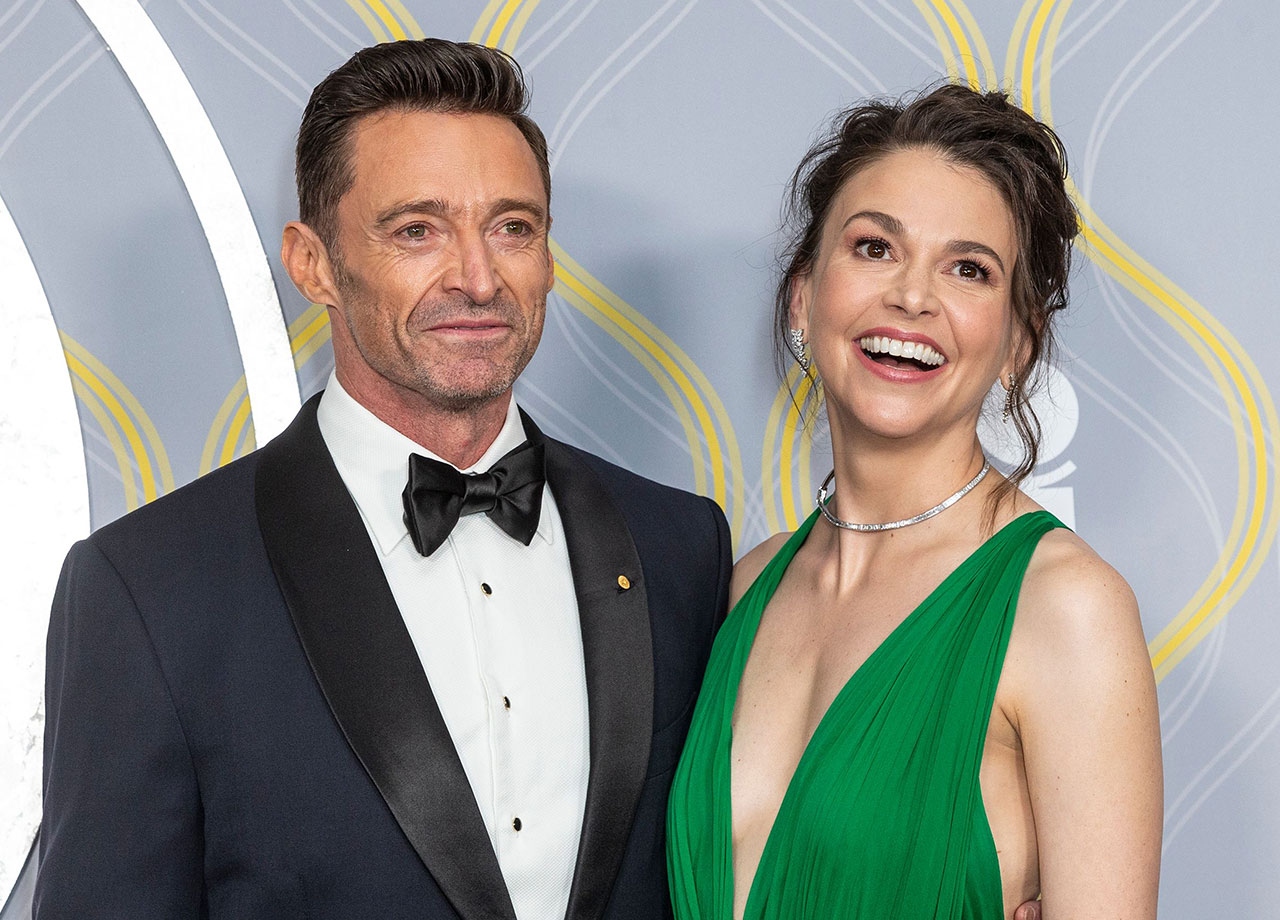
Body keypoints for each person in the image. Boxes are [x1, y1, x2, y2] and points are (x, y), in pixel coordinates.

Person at [36, 39, 732, 919]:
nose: (478, 278)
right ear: (313, 263)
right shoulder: (149, 589)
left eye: (513, 228)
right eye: (417, 230)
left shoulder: (679, 546)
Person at [666, 85, 1162, 919]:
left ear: (1017, 343)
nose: (913, 297)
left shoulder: (1064, 608)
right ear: (802, 297)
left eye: (969, 269)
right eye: (873, 248)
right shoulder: (744, 586)